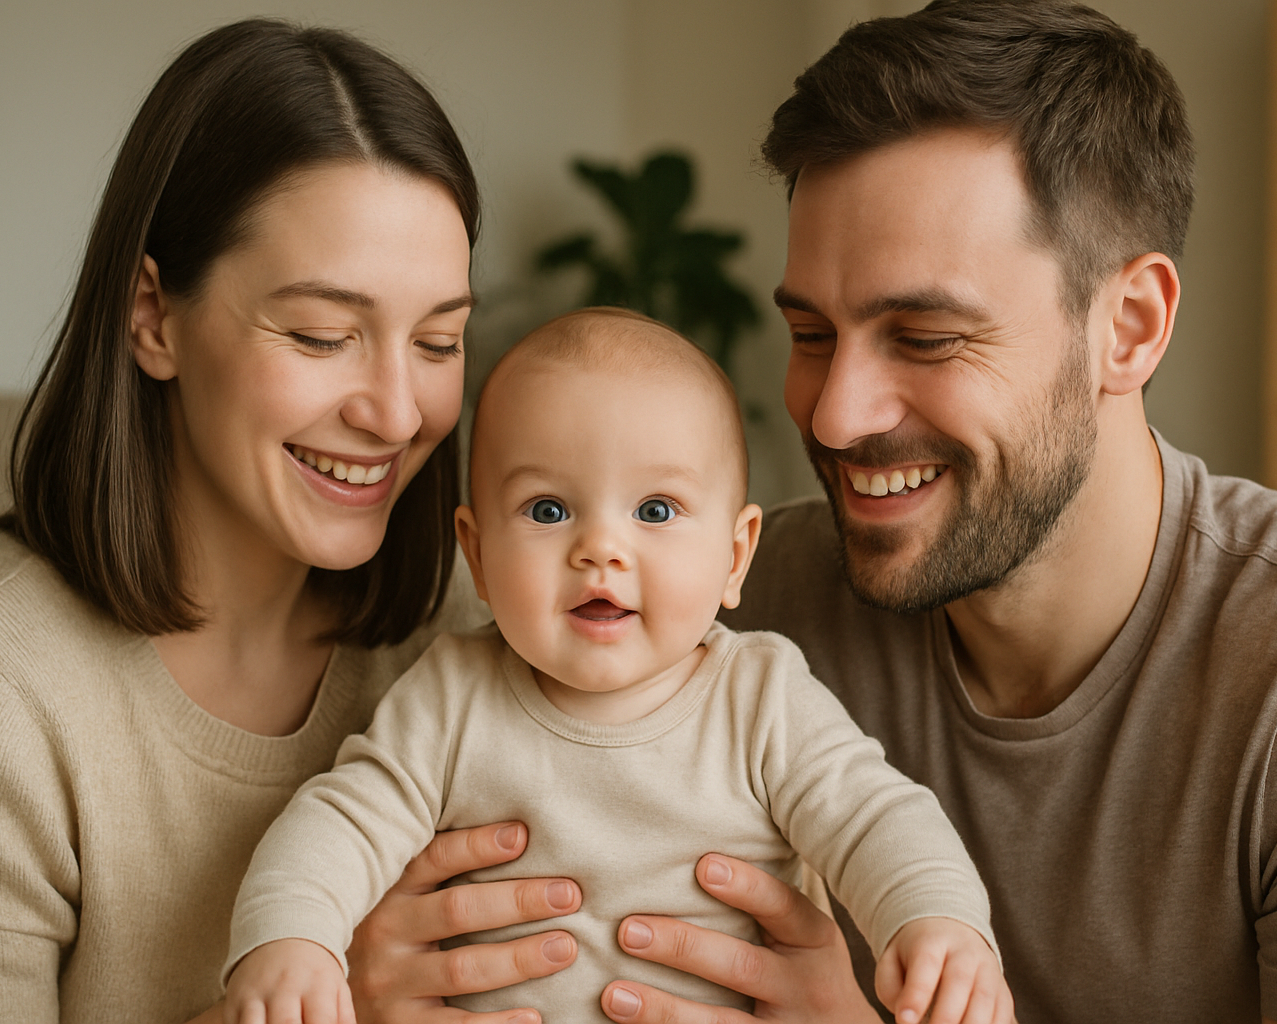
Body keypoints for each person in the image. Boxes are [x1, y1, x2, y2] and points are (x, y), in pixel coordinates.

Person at [516, 4, 1277, 1024]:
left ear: (1129, 328)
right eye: (812, 334)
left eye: (925, 337)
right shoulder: (718, 602)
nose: (834, 415)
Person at [0, 20, 589, 1024]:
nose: (397, 414)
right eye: (321, 335)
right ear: (153, 317)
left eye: (439, 342)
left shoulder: (479, 636)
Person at [220, 308, 1011, 1024]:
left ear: (736, 555)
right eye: (548, 510)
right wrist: (292, 940)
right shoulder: (451, 695)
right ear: (478, 555)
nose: (600, 548)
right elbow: (343, 822)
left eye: (655, 510)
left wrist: (935, 922)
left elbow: (874, 818)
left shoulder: (761, 698)